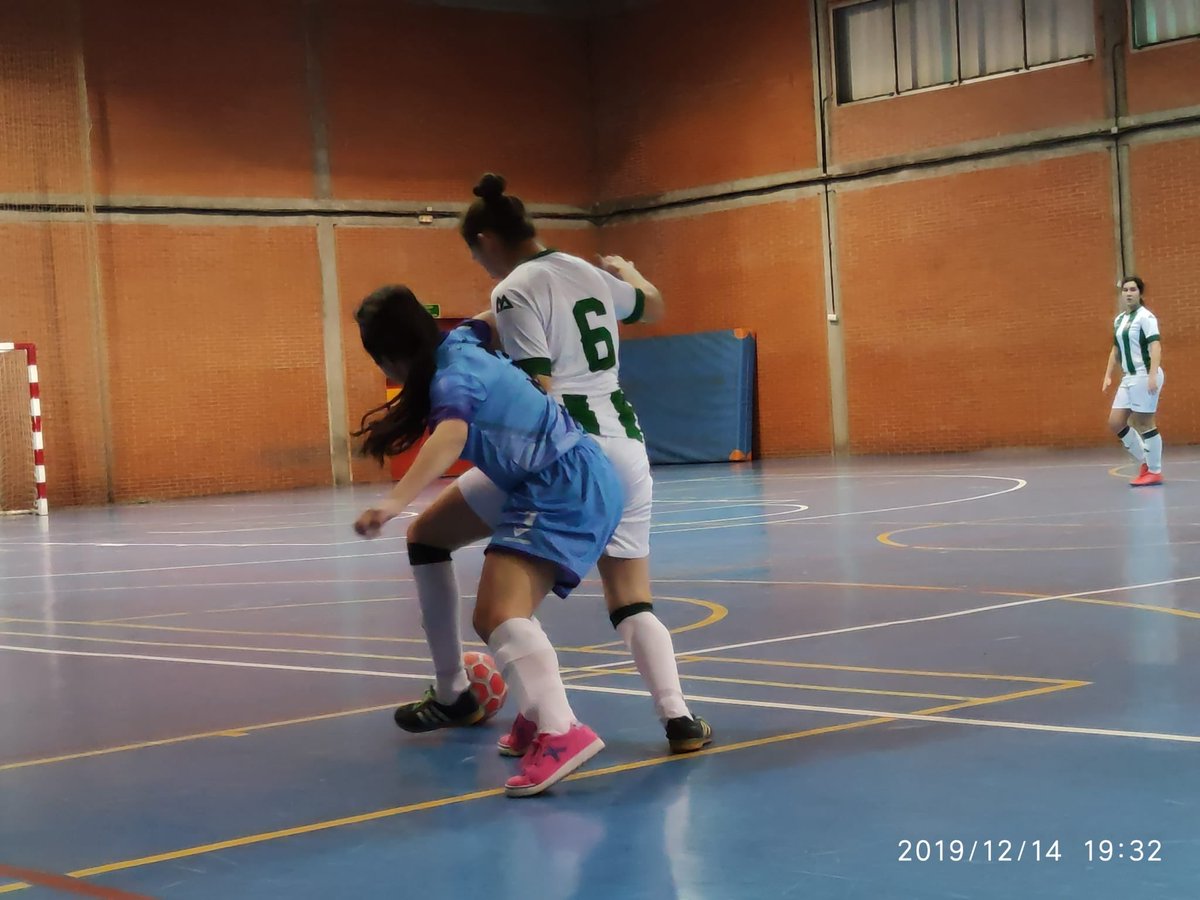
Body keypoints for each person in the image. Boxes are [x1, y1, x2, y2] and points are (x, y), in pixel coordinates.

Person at [401, 172, 712, 758]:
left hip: (568, 455)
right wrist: (633, 274)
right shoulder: (586, 272)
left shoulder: (515, 289)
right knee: (631, 598)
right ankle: (679, 719)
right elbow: (653, 306)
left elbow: (537, 385)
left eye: (475, 252)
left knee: (435, 544)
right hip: (628, 447)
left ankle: (467, 695)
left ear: (488, 239)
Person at [351, 285, 622, 797]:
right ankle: (457, 694)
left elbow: (449, 437)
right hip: (534, 474)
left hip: (560, 483)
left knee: (496, 615)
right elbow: (491, 318)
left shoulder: (454, 378)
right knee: (427, 538)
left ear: (388, 358)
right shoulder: (460, 342)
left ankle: (562, 731)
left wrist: (392, 501)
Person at [1103, 275, 1164, 487]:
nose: (1128, 293)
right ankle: (1145, 463)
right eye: (1125, 290)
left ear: (1140, 293)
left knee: (1144, 422)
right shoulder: (1119, 320)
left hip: (1144, 374)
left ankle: (1154, 471)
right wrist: (1108, 374)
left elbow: (1155, 346)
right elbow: (1116, 349)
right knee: (1116, 422)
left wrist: (1153, 374)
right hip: (1128, 377)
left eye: (1133, 290)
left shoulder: (1146, 317)